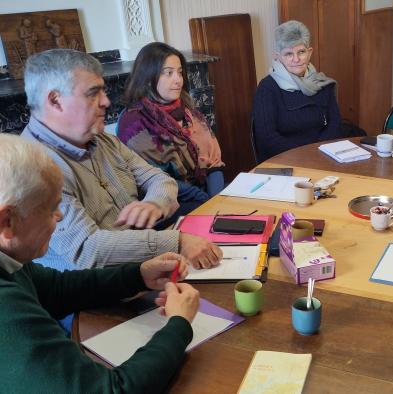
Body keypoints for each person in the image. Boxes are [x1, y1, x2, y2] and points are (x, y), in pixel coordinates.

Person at [0, 133, 200, 392]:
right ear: (7, 222)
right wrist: (179, 325)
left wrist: (138, 275)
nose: (60, 217)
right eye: (50, 209)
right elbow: (113, 390)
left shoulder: (11, 261)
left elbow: (56, 288)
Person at [21, 48, 222, 271]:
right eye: (93, 93)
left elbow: (160, 179)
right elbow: (88, 249)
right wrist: (177, 241)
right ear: (55, 100)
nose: (106, 101)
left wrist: (155, 202)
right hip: (96, 295)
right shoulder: (33, 168)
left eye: (103, 91)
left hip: (142, 268)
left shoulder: (104, 141)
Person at [119, 42, 225, 217]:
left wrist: (217, 198)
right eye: (168, 73)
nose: (178, 80)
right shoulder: (133, 122)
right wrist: (207, 201)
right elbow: (155, 179)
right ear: (148, 76)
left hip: (205, 193)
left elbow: (214, 163)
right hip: (168, 203)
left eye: (180, 72)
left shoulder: (188, 110)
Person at [252, 20, 348, 162]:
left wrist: (318, 152)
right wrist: (306, 155)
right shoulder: (267, 88)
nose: (296, 59)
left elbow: (335, 124)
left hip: (323, 156)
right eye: (289, 54)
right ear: (278, 57)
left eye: (301, 52)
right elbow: (267, 137)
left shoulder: (323, 83)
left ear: (309, 53)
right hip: (285, 161)